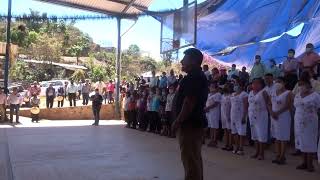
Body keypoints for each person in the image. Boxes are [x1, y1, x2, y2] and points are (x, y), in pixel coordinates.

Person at [171, 48, 208, 180]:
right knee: (193, 159)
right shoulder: (194, 76)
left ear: (193, 61)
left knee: (190, 160)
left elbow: (189, 102)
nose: (181, 61)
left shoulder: (194, 77)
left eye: (184, 59)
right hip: (191, 123)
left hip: (190, 125)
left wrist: (178, 121)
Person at [294, 79, 320, 172]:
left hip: (310, 122)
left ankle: (310, 164)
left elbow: (318, 106)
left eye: (303, 85)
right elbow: (295, 105)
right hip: (298, 120)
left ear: (309, 86)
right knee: (301, 141)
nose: (301, 86)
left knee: (310, 141)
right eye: (300, 85)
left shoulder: (315, 95)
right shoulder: (298, 95)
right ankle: (303, 162)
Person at [270, 77, 293, 165]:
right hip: (274, 116)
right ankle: (278, 154)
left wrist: (277, 113)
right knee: (277, 136)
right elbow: (269, 103)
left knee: (283, 137)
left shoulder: (288, 93)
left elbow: (288, 105)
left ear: (284, 83)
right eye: (276, 82)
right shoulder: (273, 92)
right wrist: (272, 112)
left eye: (279, 82)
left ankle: (282, 156)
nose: (277, 83)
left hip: (283, 116)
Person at [248, 78, 270, 160]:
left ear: (261, 84)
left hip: (261, 116)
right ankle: (256, 152)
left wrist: (270, 113)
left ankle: (261, 153)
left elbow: (268, 103)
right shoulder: (250, 92)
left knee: (261, 134)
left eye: (257, 83)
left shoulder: (263, 92)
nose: (255, 85)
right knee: (255, 135)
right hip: (252, 115)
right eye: (253, 83)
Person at [230, 79, 248, 155]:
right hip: (233, 115)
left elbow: (246, 106)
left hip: (241, 115)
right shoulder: (233, 94)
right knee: (234, 132)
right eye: (235, 84)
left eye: (237, 84)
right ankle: (236, 146)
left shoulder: (244, 94)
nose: (235, 86)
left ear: (241, 86)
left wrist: (244, 116)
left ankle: (241, 148)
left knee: (241, 133)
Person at [220, 83, 233, 151]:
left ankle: (230, 145)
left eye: (226, 86)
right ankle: (226, 144)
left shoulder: (231, 96)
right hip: (223, 115)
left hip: (229, 115)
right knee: (225, 130)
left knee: (229, 130)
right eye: (225, 86)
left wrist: (229, 116)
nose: (225, 87)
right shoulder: (222, 96)